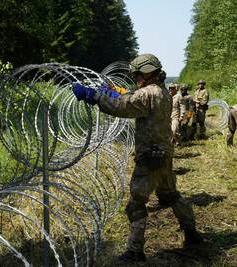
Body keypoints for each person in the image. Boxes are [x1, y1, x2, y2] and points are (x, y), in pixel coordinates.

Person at [72, 54, 203, 262]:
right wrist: (113, 93)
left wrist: (95, 96)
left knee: (136, 204)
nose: (136, 78)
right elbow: (130, 98)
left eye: (138, 74)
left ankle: (135, 251)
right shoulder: (163, 92)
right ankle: (192, 233)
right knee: (171, 195)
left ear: (148, 72)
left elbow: (123, 106)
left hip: (149, 156)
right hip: (164, 153)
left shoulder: (147, 94)